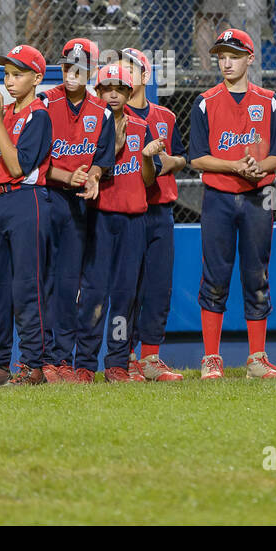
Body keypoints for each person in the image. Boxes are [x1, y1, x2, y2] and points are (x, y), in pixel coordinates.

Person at [187, 28, 276, 380]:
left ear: (250, 58)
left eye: (234, 55)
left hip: (258, 196)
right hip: (218, 196)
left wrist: (259, 167)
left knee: (256, 274)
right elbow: (197, 158)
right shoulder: (204, 101)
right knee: (214, 275)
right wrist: (234, 166)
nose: (226, 62)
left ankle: (256, 358)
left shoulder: (270, 101)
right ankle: (211, 358)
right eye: (221, 56)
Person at [0, 44, 53, 387]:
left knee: (26, 285)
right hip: (1, 203)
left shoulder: (38, 115)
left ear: (37, 77)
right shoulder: (9, 115)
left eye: (18, 74)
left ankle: (33, 366)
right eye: (6, 74)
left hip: (28, 201)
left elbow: (17, 167)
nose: (10, 81)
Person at [74, 61, 156, 383]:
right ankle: (84, 363)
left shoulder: (140, 125)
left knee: (125, 294)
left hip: (133, 219)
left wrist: (147, 158)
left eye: (119, 89)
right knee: (93, 292)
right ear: (97, 91)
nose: (112, 95)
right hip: (100, 217)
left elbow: (148, 180)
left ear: (129, 91)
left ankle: (118, 362)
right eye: (105, 88)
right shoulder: (90, 124)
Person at [40, 38, 114, 382]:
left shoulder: (102, 111)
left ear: (92, 71)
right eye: (68, 65)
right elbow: (33, 160)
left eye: (80, 67)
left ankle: (61, 359)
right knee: (41, 283)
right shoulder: (44, 103)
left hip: (77, 205)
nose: (72, 73)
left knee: (69, 283)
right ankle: (38, 359)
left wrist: (94, 176)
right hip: (46, 198)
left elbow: (102, 159)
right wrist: (67, 175)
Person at [119, 46, 186, 382]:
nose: (123, 76)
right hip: (127, 211)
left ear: (145, 76)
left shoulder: (166, 117)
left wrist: (167, 162)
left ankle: (150, 357)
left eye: (130, 70)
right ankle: (124, 357)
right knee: (128, 287)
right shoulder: (111, 115)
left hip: (160, 210)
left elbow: (182, 158)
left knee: (159, 287)